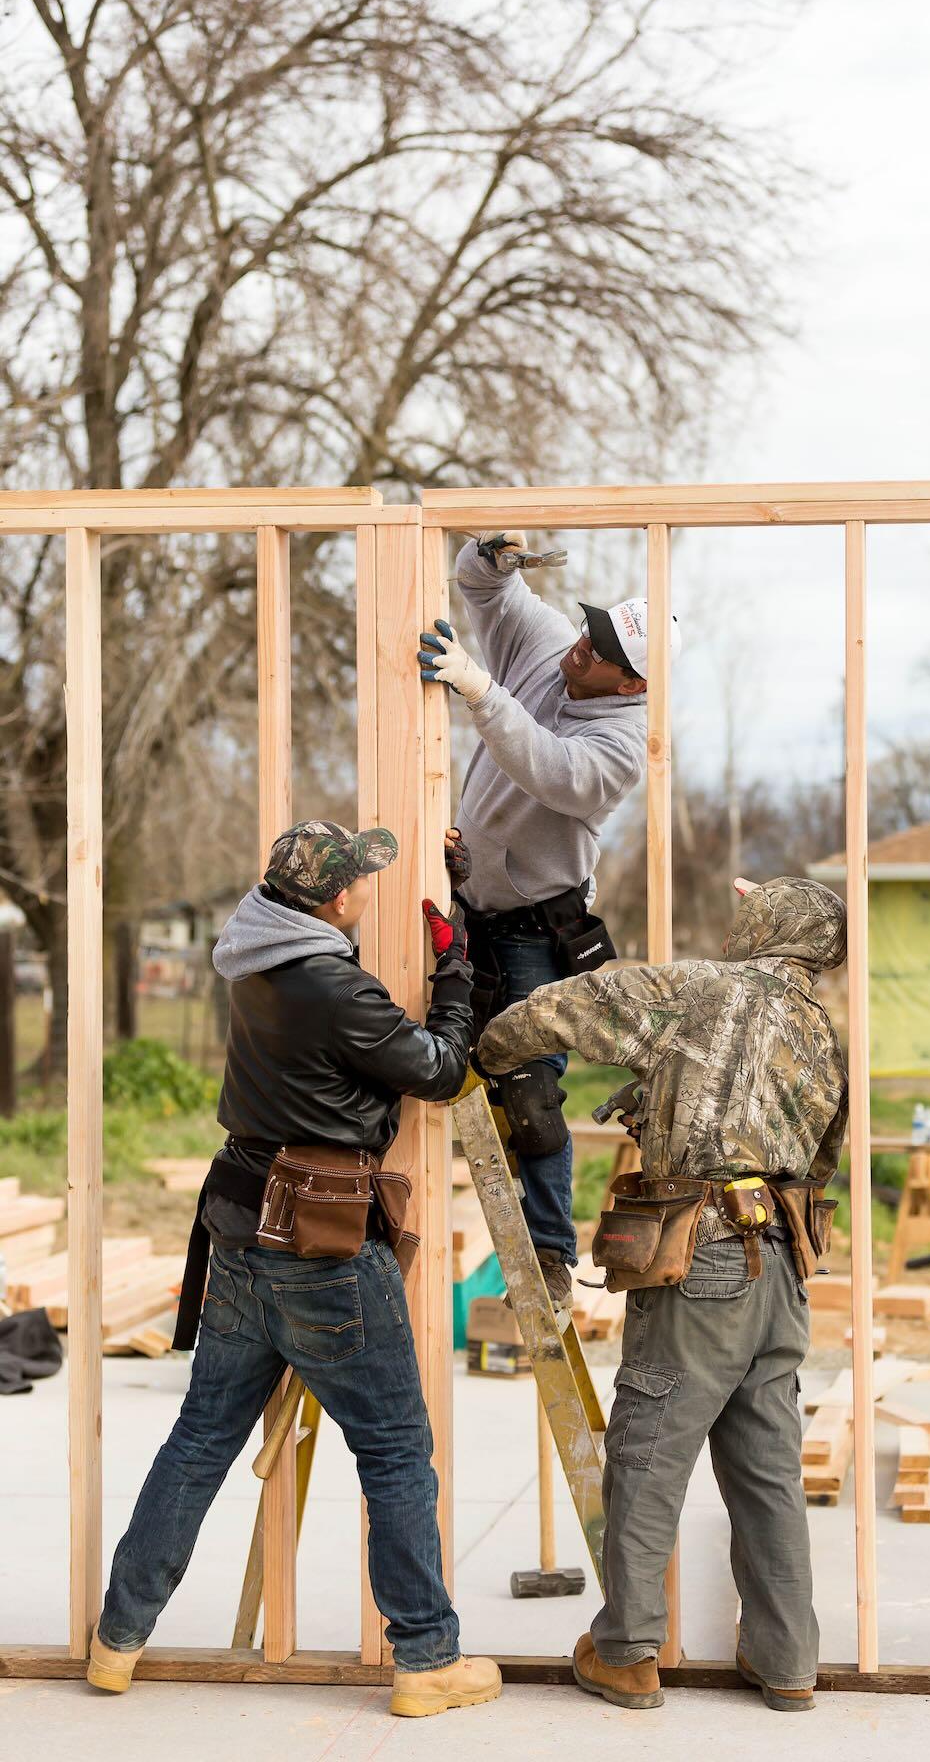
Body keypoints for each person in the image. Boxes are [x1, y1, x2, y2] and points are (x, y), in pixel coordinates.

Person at [87, 820, 501, 1720]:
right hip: (321, 1245)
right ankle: (427, 1660)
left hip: (241, 1228)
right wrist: (456, 964)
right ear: (334, 900)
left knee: (200, 1441)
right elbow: (436, 1067)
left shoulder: (254, 956)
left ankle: (117, 1640)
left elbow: (333, 1048)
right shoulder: (332, 987)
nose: (363, 890)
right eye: (355, 882)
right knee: (395, 1452)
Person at [477, 876, 849, 1714]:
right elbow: (823, 1159)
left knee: (647, 1458)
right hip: (783, 1266)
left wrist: (483, 1049)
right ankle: (788, 1664)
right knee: (767, 1473)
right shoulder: (822, 1032)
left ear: (767, 926)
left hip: (701, 1264)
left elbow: (566, 1007)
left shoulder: (698, 990)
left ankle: (628, 1652)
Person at [418, 531, 681, 1310]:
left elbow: (549, 768)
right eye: (589, 632)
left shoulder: (623, 743)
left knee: (531, 1093)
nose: (579, 651)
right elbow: (484, 590)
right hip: (467, 905)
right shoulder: (553, 645)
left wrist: (476, 686)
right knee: (414, 1060)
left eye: (600, 653)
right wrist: (495, 554)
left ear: (633, 685)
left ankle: (550, 1257)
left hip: (538, 928)